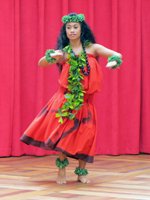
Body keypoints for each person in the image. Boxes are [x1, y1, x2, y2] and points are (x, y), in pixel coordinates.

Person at [20, 13, 122, 184]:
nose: (72, 30)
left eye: (75, 27)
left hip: (86, 102)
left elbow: (117, 55)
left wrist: (113, 62)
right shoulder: (63, 53)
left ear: (82, 29)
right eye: (69, 27)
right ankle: (61, 172)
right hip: (65, 100)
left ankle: (82, 172)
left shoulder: (93, 48)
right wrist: (50, 57)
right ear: (65, 31)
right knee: (63, 135)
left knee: (86, 137)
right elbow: (41, 63)